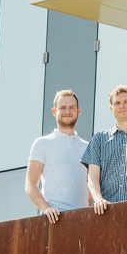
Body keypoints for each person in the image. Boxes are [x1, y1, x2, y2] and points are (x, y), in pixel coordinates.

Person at [25, 89, 89, 224]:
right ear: (54, 111)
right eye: (63, 108)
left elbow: (92, 186)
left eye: (72, 107)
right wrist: (46, 208)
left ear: (78, 111)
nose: (67, 111)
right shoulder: (42, 143)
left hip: (82, 221)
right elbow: (30, 184)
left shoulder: (88, 147)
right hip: (54, 220)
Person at [81, 85, 127, 215]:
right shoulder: (99, 139)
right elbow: (92, 176)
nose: (122, 106)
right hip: (107, 211)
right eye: (117, 103)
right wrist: (98, 199)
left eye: (126, 102)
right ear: (111, 108)